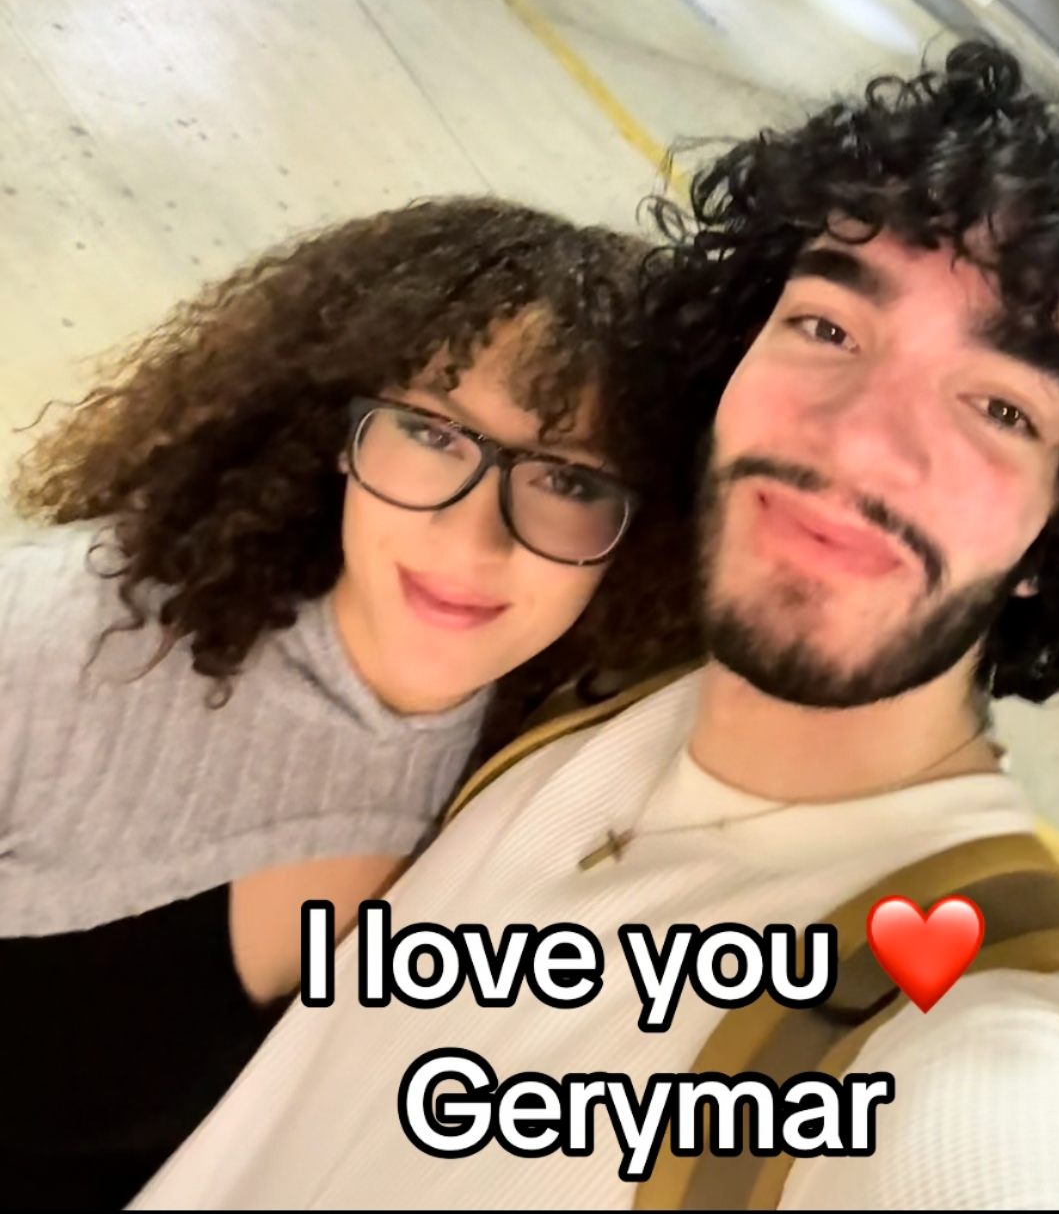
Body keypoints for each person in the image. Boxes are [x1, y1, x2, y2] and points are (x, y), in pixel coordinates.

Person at [132, 46, 1059, 1209]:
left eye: (1001, 407)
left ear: (1055, 535)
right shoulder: (607, 673)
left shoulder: (972, 1049)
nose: (858, 439)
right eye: (827, 328)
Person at [0, 197, 698, 1212]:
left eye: (568, 479)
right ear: (339, 433)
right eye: (432, 433)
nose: (472, 536)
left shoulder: (558, 785)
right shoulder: (53, 645)